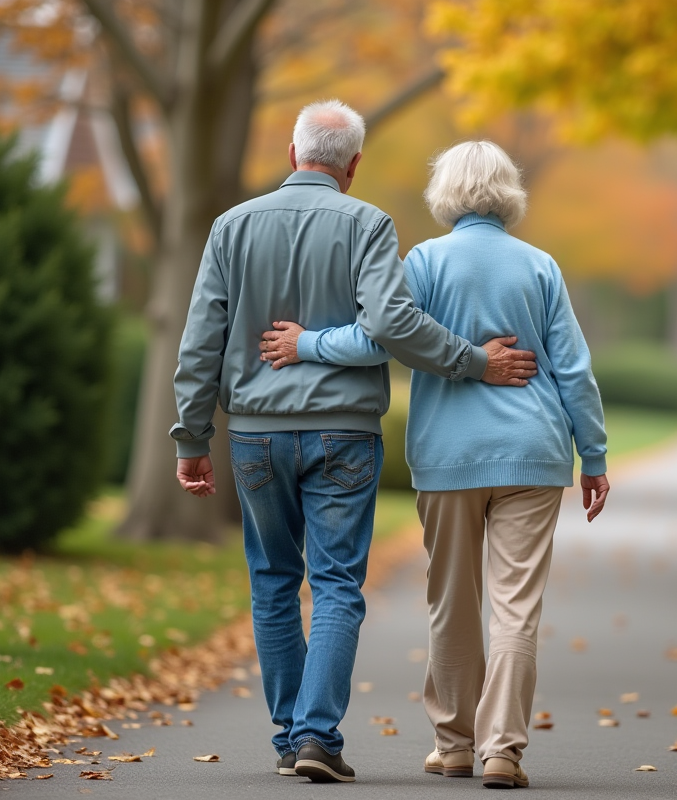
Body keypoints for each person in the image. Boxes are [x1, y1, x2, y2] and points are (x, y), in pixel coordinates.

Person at [170, 102, 539, 783]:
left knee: (273, 581)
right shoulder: (368, 225)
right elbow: (395, 324)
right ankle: (316, 737)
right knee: (336, 583)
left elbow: (200, 341)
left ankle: (292, 737)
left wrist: (191, 435)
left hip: (254, 434)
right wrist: (475, 361)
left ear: (292, 154)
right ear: (354, 165)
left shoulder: (231, 227)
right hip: (344, 431)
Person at [259, 140, 610, 790]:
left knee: (452, 600)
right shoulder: (540, 266)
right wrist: (593, 454)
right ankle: (502, 750)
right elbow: (574, 371)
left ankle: (453, 745)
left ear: (445, 191)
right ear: (508, 192)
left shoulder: (423, 261)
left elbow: (376, 338)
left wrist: (306, 343)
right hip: (533, 455)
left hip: (448, 456)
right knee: (515, 607)